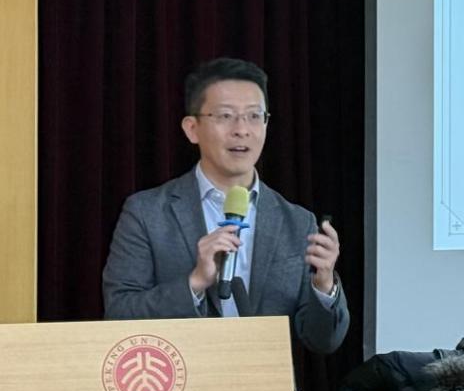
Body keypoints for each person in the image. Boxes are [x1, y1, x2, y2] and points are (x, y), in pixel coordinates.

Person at [102, 57, 349, 354]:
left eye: (254, 116)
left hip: (264, 381)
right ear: (192, 128)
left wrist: (324, 284)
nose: (242, 129)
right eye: (225, 116)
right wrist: (195, 282)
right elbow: (119, 313)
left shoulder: (297, 222)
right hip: (181, 379)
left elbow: (324, 341)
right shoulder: (147, 213)